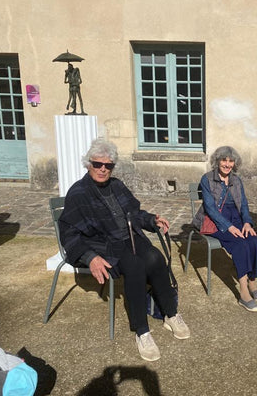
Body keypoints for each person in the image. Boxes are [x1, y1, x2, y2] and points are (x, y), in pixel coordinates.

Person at [58, 139, 190, 361]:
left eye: (108, 166)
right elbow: (69, 233)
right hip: (103, 246)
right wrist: (90, 257)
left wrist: (151, 220)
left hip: (129, 238)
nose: (103, 169)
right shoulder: (78, 193)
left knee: (156, 257)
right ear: (88, 164)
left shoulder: (117, 186)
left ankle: (170, 313)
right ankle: (142, 331)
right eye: (97, 164)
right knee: (136, 266)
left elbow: (135, 213)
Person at [192, 146, 257, 312]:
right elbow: (210, 208)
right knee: (240, 244)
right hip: (216, 219)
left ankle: (252, 282)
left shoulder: (236, 180)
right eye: (224, 160)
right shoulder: (207, 178)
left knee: (253, 242)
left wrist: (247, 222)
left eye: (231, 161)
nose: (227, 164)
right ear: (217, 161)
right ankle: (244, 292)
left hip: (236, 217)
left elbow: (244, 204)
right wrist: (229, 227)